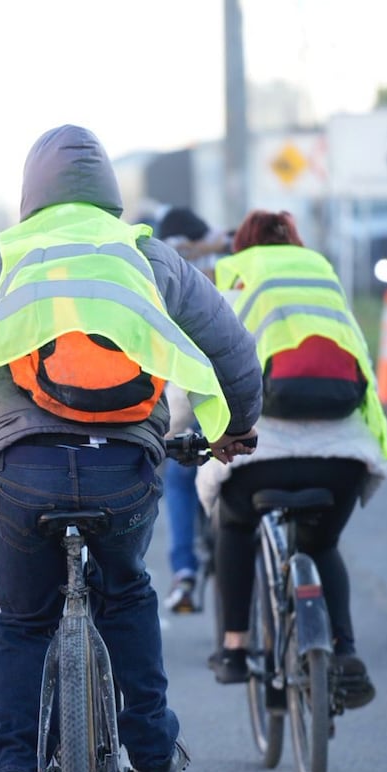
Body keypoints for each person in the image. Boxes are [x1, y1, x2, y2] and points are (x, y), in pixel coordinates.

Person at [0, 125, 261, 772]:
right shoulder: (147, 255)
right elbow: (231, 349)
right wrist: (235, 426)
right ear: (110, 194)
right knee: (126, 595)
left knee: (22, 622)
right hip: (124, 471)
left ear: (32, 195)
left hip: (24, 472)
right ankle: (151, 751)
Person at [196, 209, 387, 709]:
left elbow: (195, 373)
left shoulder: (232, 283)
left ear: (241, 248)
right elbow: (365, 367)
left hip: (259, 454)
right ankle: (344, 652)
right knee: (322, 543)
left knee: (233, 523)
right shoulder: (325, 287)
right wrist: (376, 451)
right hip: (342, 459)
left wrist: (181, 436)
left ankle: (236, 647)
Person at [153, 206, 232, 612]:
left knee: (180, 479)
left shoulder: (163, 265)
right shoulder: (230, 254)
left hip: (188, 393)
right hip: (237, 392)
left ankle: (184, 572)